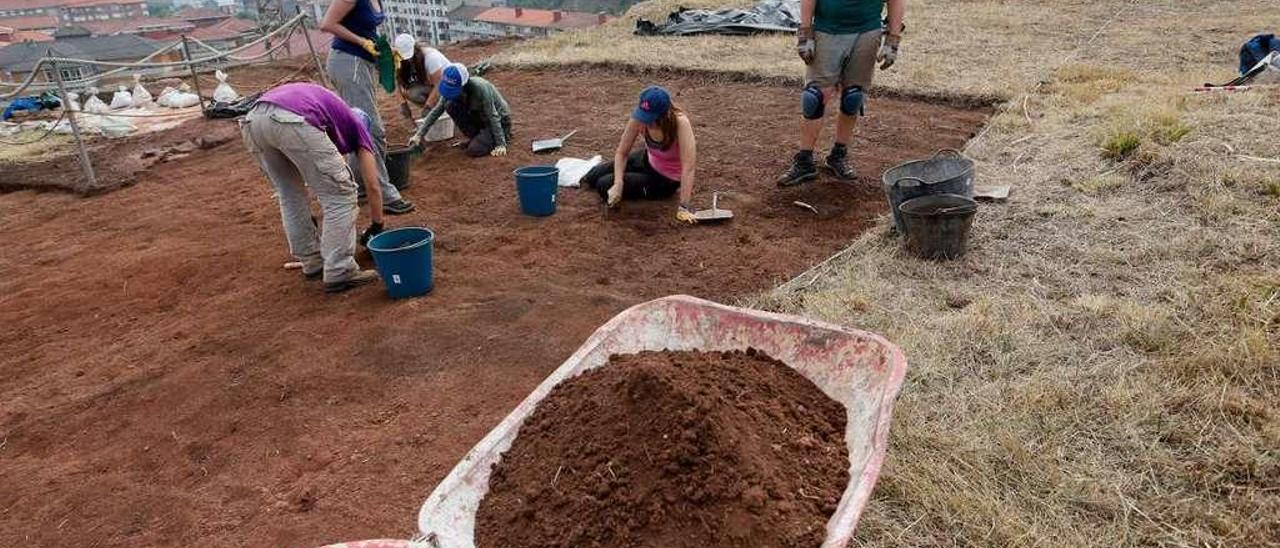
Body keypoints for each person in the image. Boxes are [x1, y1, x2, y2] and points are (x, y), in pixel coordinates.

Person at [240, 82, 387, 293]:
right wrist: (377, 224)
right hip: (290, 120)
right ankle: (339, 270)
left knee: (290, 194)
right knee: (341, 195)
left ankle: (312, 261)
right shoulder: (358, 126)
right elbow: (372, 186)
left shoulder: (330, 113)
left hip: (253, 120)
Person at [775, 0, 905, 186]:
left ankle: (838, 155)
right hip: (826, 31)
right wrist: (805, 32)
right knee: (815, 98)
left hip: (867, 33)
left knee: (853, 96)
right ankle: (804, 161)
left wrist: (893, 38)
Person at [319, 0, 416, 215]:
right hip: (348, 63)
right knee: (370, 131)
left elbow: (365, 27)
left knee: (361, 128)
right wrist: (362, 42)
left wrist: (384, 50)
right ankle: (384, 192)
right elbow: (327, 24)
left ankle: (358, 184)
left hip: (361, 64)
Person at [580, 86, 699, 224]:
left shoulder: (680, 123)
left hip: (666, 179)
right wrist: (619, 183)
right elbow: (621, 152)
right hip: (647, 160)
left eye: (651, 118)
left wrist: (683, 207)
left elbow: (688, 167)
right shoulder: (640, 117)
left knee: (603, 185)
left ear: (664, 114)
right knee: (593, 176)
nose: (646, 121)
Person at [409, 63, 512, 158]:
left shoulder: (480, 88)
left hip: (500, 120)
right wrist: (418, 135)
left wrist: (501, 144)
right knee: (450, 105)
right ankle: (477, 137)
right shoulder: (450, 91)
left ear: (464, 84)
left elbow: (493, 116)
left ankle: (503, 135)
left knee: (474, 150)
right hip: (480, 118)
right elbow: (436, 111)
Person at [393, 33, 451, 115]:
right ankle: (437, 111)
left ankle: (443, 110)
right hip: (432, 86)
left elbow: (439, 84)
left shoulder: (431, 57)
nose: (407, 60)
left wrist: (428, 106)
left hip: (448, 86)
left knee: (432, 105)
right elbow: (397, 83)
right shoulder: (398, 59)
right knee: (411, 93)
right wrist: (403, 104)